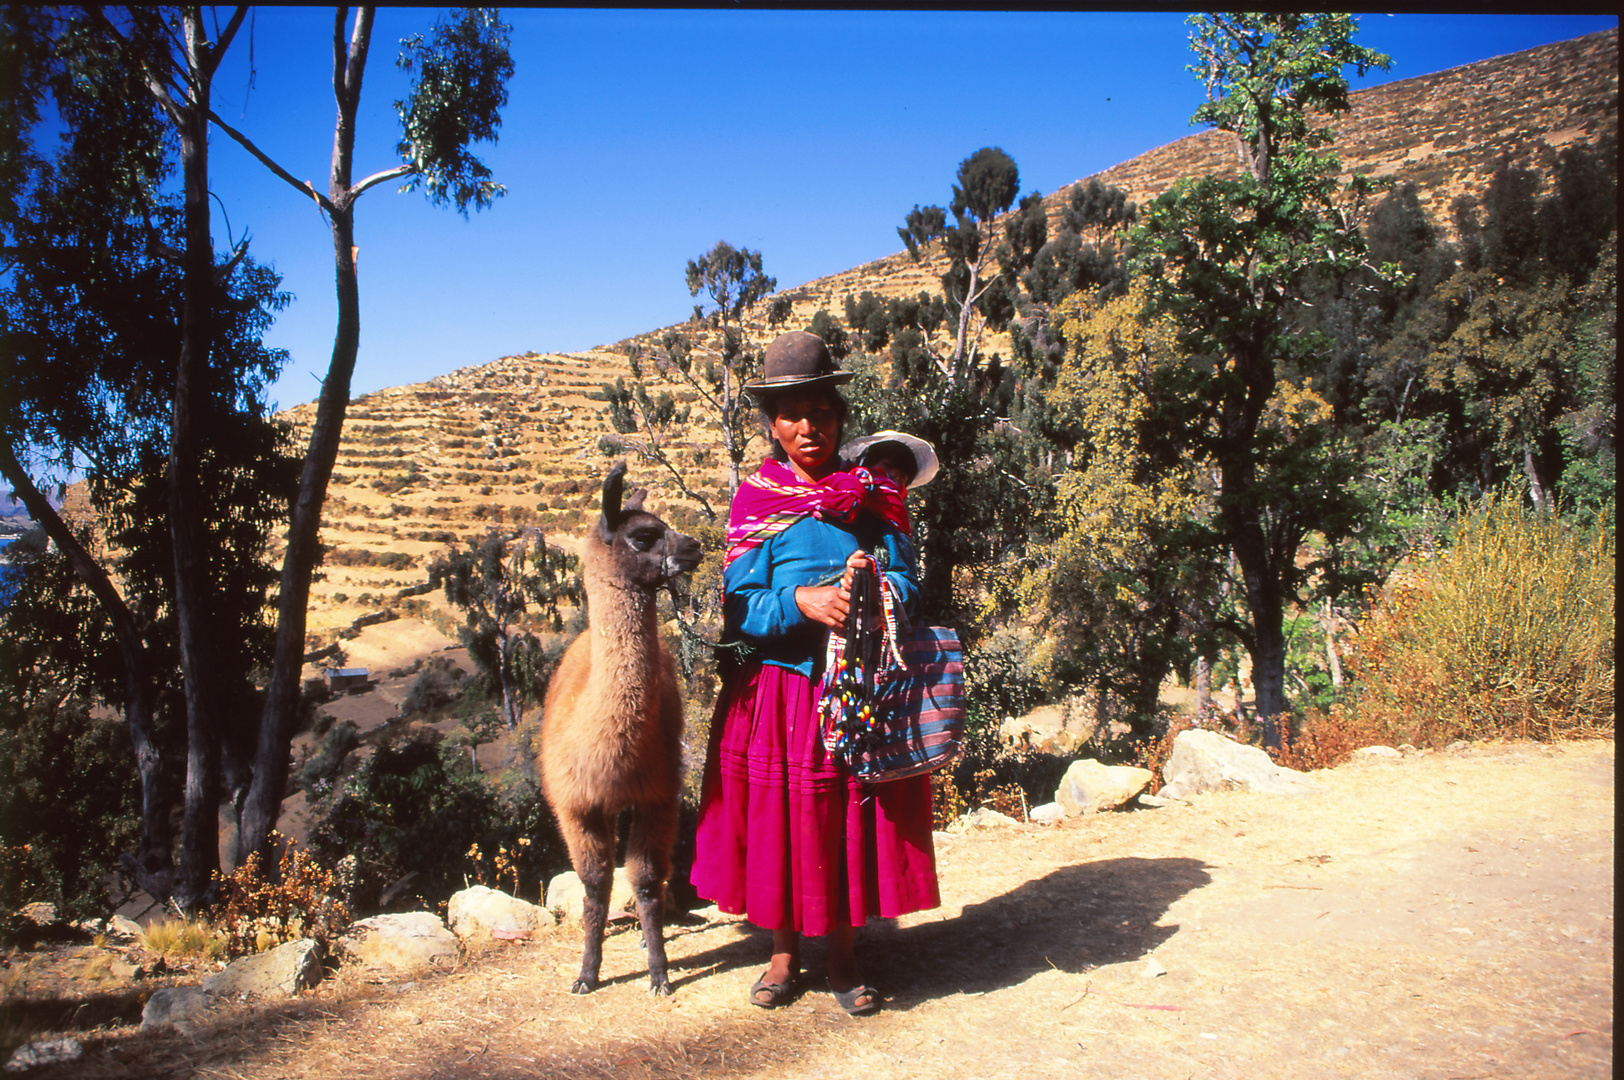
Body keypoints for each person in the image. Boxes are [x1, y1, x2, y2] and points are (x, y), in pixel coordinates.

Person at [691, 332, 939, 1016]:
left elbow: (912, 583)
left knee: (844, 820)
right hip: (782, 689)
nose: (809, 427)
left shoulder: (874, 497)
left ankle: (842, 955)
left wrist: (876, 590)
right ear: (773, 425)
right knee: (783, 820)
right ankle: (781, 951)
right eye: (793, 414)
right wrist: (801, 601)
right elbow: (739, 605)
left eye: (821, 412)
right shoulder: (757, 501)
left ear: (839, 416)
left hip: (856, 688)